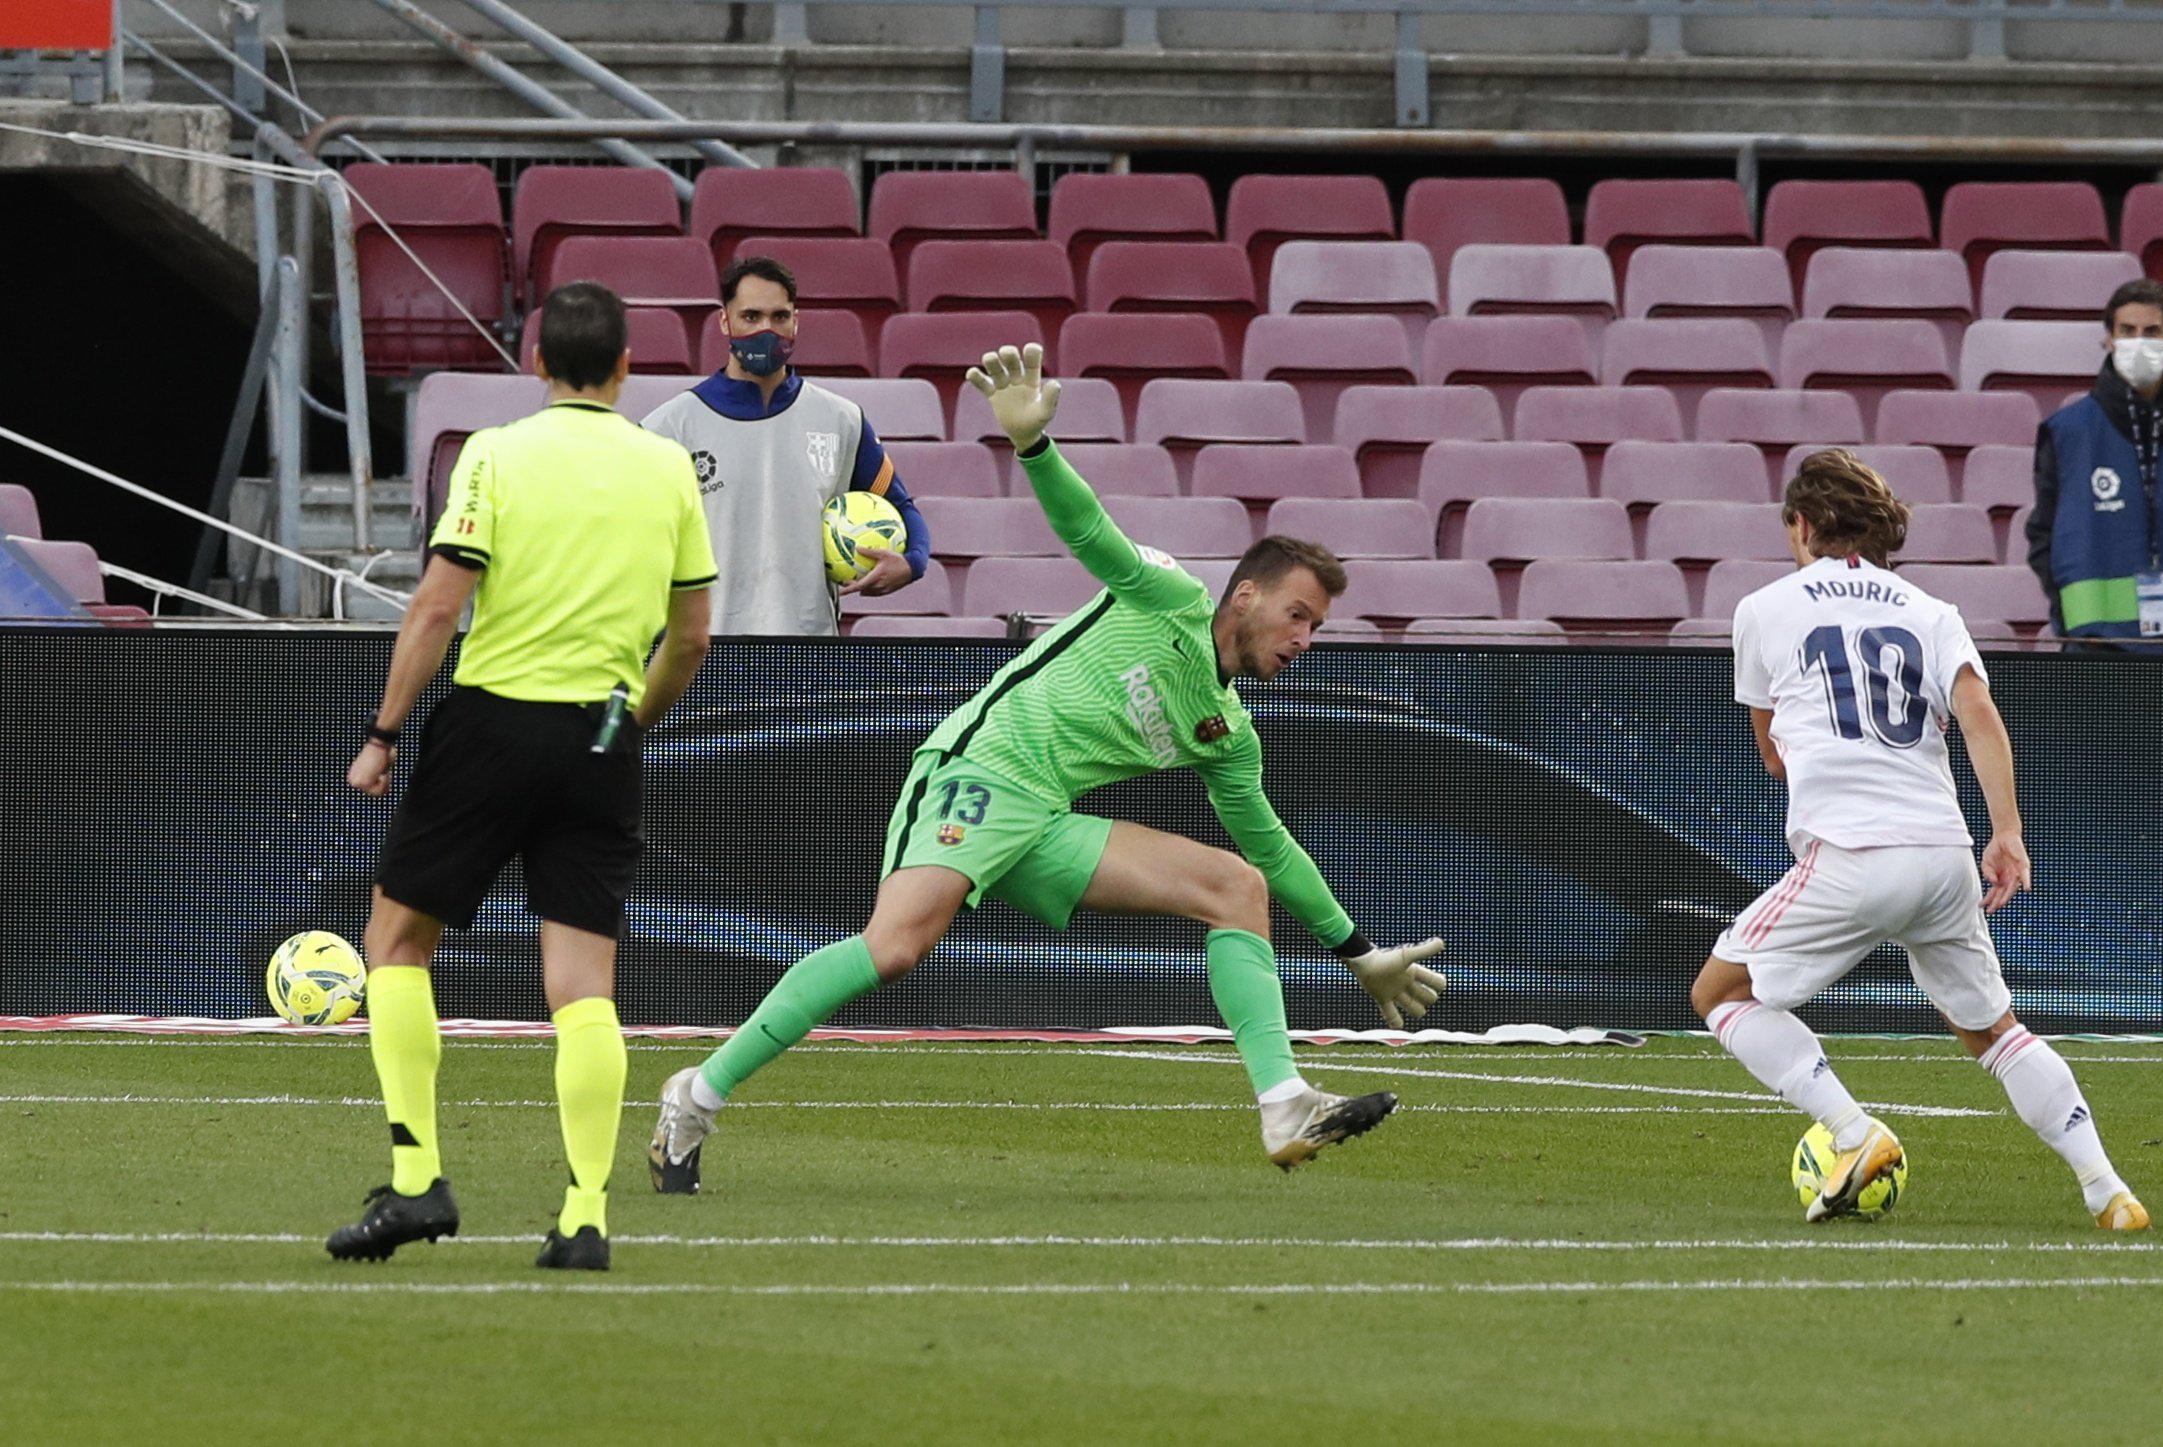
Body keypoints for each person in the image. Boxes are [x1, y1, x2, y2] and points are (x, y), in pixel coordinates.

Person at [648, 343, 1446, 1191]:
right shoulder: (1168, 597)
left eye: (1316, 628)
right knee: (893, 948)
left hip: (1045, 816)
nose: (1303, 640)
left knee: (1239, 886)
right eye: (1297, 615)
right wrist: (1035, 446)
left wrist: (1358, 952)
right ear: (1243, 596)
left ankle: (1284, 1104)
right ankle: (694, 1096)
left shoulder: (1229, 733)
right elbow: (1088, 531)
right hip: (980, 769)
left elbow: (1278, 850)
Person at [328, 282, 718, 1271]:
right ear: (627, 370)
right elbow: (692, 636)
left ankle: (417, 1183)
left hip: (493, 724)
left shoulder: (496, 453)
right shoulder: (667, 467)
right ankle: (585, 1214)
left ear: (537, 365)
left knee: (397, 942)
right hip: (600, 736)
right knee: (584, 985)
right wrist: (632, 721)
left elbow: (433, 609)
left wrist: (382, 733)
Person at [1692, 450, 2147, 1230]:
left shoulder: (1763, 609)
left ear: (1801, 523)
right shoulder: (1930, 610)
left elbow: (1773, 755)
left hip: (1853, 854)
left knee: (1720, 993)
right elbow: (1978, 714)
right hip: (1943, 852)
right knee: (1997, 1034)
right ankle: (2108, 1189)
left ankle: (1852, 1131)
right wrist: (2006, 831)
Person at [642, 256, 930, 634]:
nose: (767, 330)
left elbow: (902, 508)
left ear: (796, 320)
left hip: (809, 653)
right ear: (725, 321)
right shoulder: (666, 428)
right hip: (703, 657)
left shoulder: (842, 421)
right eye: (751, 317)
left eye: (779, 317)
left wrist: (911, 563)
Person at [2026, 278, 2163, 648]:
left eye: (2151, 331)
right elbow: (2042, 535)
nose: (2139, 341)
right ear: (2108, 338)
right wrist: (2071, 620)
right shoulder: (2067, 432)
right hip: (2097, 645)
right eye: (2127, 330)